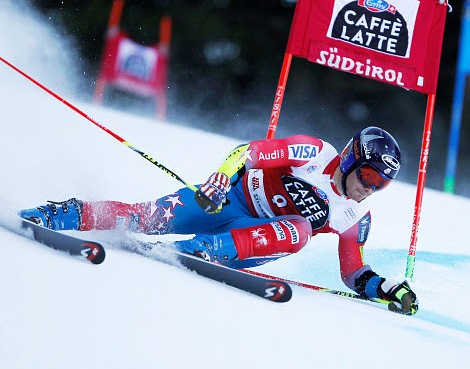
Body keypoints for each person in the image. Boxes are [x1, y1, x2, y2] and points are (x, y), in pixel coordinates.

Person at [20, 126, 418, 314]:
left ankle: (202, 251)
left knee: (298, 231)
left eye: (381, 185)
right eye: (368, 176)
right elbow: (249, 151)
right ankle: (65, 212)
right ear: (351, 159)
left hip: (245, 241)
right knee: (143, 218)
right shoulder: (313, 152)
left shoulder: (355, 215)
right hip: (224, 201)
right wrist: (221, 178)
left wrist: (386, 288)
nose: (370, 189)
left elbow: (353, 271)